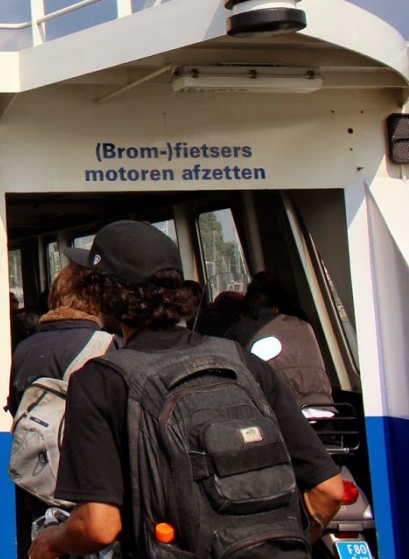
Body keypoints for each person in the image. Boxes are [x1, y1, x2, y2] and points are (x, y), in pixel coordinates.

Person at [29, 221, 343, 559]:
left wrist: (52, 541)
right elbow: (329, 491)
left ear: (105, 295)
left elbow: (99, 525)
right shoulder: (242, 361)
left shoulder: (101, 381)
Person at [6, 263, 116, 546]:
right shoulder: (108, 346)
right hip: (89, 483)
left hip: (37, 477)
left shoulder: (24, 348)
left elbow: (17, 405)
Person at [225, 272, 335, 408]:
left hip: (283, 415)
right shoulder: (304, 325)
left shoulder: (244, 330)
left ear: (254, 299)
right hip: (326, 408)